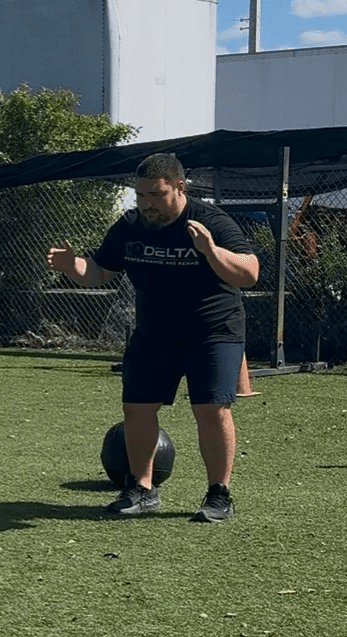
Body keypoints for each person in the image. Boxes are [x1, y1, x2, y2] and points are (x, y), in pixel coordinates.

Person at [47, 153, 259, 522]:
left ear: (180, 187)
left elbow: (249, 274)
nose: (147, 204)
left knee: (211, 410)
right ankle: (141, 489)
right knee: (137, 407)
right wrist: (74, 267)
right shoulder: (130, 225)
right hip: (155, 334)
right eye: (140, 195)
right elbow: (99, 272)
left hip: (212, 331)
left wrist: (211, 251)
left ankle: (218, 495)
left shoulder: (210, 222)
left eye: (156, 195)